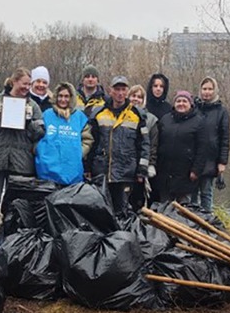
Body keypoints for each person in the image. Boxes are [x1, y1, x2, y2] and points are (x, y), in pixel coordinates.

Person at [0, 68, 45, 238]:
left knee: (14, 204)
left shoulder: (33, 106)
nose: (27, 87)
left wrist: (31, 123)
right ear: (14, 82)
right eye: (24, 84)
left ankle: (10, 237)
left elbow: (40, 133)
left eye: (29, 84)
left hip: (20, 163)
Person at [89, 76, 150, 214]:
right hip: (102, 172)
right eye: (117, 89)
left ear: (127, 91)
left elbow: (144, 145)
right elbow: (92, 142)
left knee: (123, 212)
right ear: (110, 91)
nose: (120, 93)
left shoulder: (137, 115)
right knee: (102, 211)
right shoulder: (98, 114)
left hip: (126, 172)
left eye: (123, 89)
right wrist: (88, 167)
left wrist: (142, 170)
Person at [35, 82, 93, 185]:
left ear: (71, 98)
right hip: (47, 170)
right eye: (60, 96)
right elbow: (36, 136)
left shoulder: (79, 117)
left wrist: (78, 153)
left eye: (66, 96)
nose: (63, 99)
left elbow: (87, 140)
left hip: (72, 171)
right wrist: (40, 151)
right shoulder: (47, 115)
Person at [155, 90, 206, 203]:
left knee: (184, 207)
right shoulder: (165, 119)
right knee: (165, 205)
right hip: (165, 172)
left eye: (184, 101)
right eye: (178, 101)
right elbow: (157, 143)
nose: (181, 104)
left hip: (186, 173)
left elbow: (202, 149)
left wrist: (196, 170)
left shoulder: (199, 122)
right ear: (174, 104)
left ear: (190, 104)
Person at [191, 76, 230, 212]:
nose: (207, 92)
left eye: (210, 89)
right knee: (191, 194)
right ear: (200, 90)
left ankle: (207, 221)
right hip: (192, 158)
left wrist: (222, 162)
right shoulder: (193, 108)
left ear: (215, 91)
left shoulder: (221, 112)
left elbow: (225, 138)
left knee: (206, 193)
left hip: (211, 159)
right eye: (204, 89)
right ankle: (190, 222)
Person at [127, 84, 158, 210]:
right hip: (124, 167)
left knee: (138, 202)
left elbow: (153, 145)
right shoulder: (121, 115)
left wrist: (150, 165)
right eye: (133, 96)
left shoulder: (151, 120)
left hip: (141, 167)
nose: (136, 99)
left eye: (139, 97)